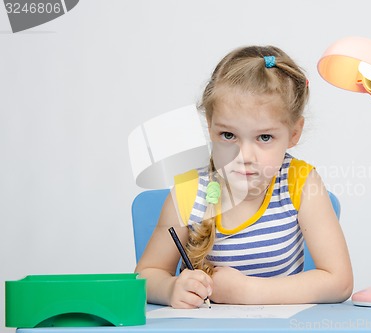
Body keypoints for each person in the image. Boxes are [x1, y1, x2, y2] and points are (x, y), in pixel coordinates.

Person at [135, 45, 353, 308]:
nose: (244, 155)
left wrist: (249, 291)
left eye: (264, 137)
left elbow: (339, 282)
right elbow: (144, 276)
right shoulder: (189, 192)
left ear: (294, 133)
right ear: (211, 126)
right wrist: (170, 289)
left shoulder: (301, 183)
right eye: (228, 135)